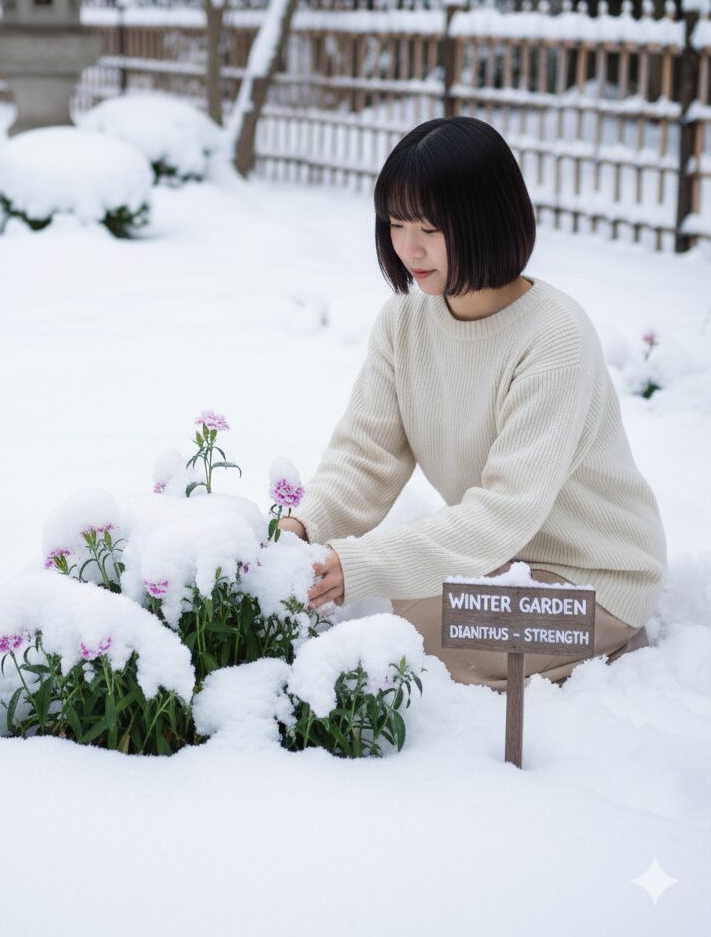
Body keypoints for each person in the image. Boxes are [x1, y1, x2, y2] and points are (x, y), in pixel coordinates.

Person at [279, 116, 666, 692]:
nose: (408, 247)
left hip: (590, 573)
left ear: (485, 220)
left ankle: (606, 643)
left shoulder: (554, 338)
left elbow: (504, 511)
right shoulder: (405, 320)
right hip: (504, 562)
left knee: (418, 648)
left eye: (430, 228)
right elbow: (366, 457)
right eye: (396, 224)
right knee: (408, 603)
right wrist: (302, 529)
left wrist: (357, 564)